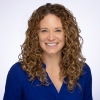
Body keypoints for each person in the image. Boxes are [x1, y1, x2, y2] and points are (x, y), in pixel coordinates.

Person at [3, 3, 93, 100]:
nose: (51, 37)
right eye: (44, 30)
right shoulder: (18, 72)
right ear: (35, 35)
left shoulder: (83, 71)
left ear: (67, 34)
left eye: (57, 30)